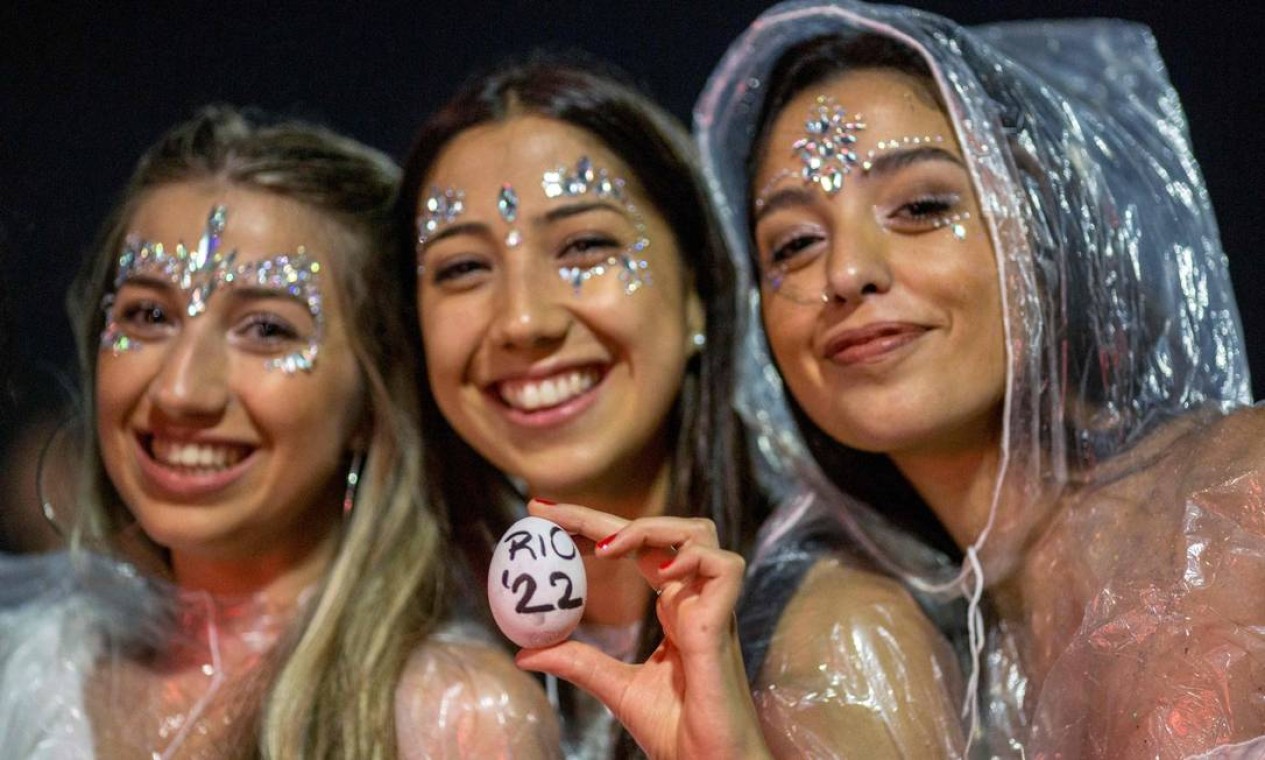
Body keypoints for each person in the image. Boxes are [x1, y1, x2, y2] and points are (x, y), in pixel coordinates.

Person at [696, 1, 1265, 757]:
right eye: (793, 244)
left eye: (921, 207)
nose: (847, 273)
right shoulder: (871, 635)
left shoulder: (1241, 500)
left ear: (1044, 227)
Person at [399, 55, 962, 759]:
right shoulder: (417, 634)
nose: (522, 321)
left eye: (584, 246)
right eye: (462, 268)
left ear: (697, 288)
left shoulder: (838, 632)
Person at [0, 105, 559, 758]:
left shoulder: (455, 720)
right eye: (148, 314)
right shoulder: (32, 673)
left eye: (266, 329)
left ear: (372, 404)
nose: (180, 389)